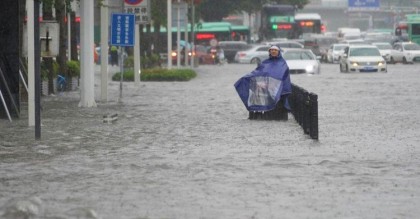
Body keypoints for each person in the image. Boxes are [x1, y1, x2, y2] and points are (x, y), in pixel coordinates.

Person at [234, 45, 291, 114]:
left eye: (275, 50)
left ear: (278, 52)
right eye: (271, 50)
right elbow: (257, 72)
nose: (273, 51)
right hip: (265, 89)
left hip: (278, 90)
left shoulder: (282, 63)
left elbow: (282, 76)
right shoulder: (265, 63)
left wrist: (272, 83)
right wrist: (247, 77)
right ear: (269, 52)